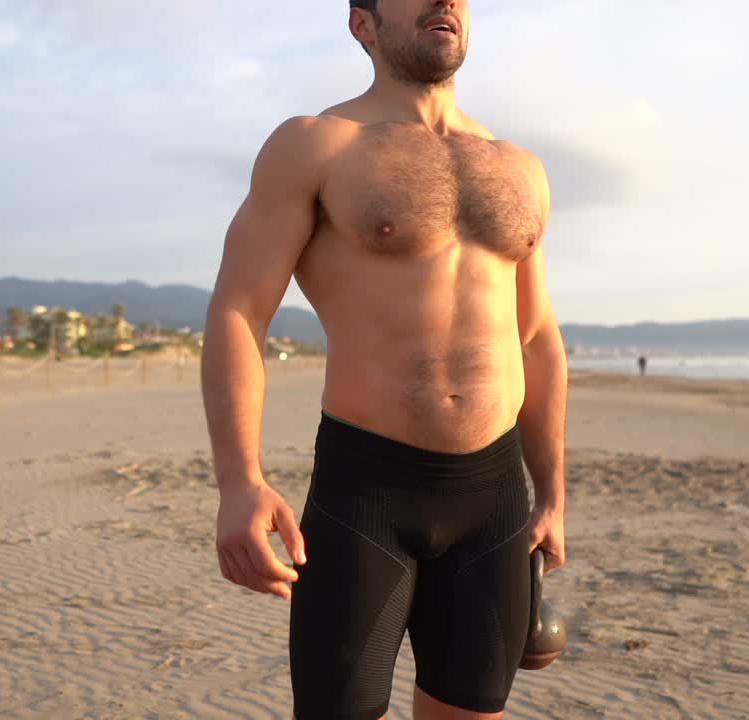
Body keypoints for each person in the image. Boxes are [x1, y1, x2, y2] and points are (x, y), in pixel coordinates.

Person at [200, 1, 567, 718]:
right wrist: (239, 482)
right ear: (363, 24)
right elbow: (239, 312)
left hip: (494, 498)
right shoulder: (316, 146)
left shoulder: (520, 168)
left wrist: (551, 494)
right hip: (366, 493)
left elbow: (535, 336)